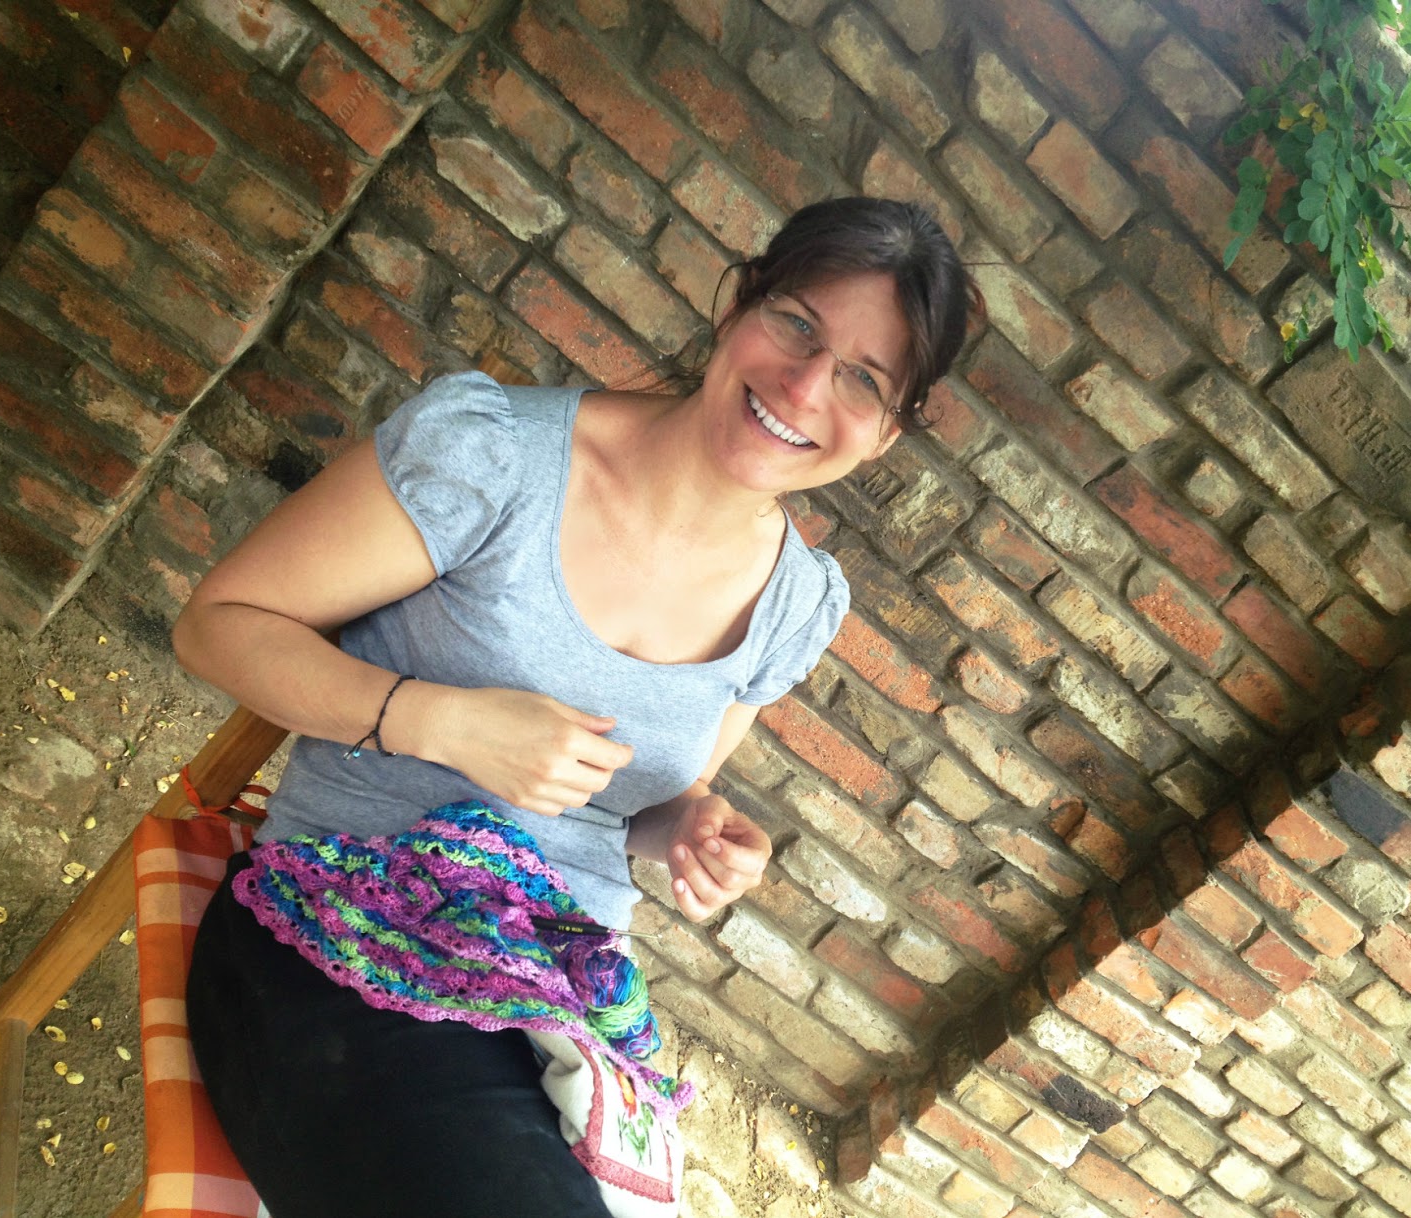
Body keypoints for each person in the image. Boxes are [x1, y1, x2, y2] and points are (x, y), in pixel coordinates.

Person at [172, 196, 977, 1218]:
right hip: (332, 938)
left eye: (864, 378)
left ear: (889, 434)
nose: (807, 386)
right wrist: (441, 721)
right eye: (796, 325)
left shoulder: (794, 607)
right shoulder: (496, 457)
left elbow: (638, 806)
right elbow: (216, 626)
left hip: (562, 1005)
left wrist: (689, 830)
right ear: (737, 305)